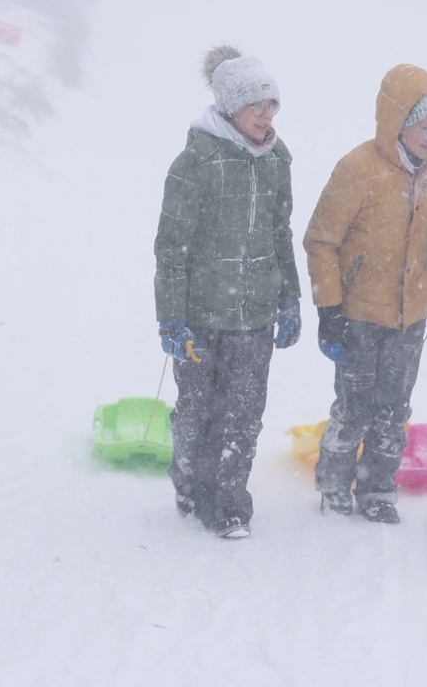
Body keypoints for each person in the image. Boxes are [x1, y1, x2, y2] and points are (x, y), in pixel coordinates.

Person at [303, 64, 427, 525]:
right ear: (398, 122)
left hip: (410, 313)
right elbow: (321, 240)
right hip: (358, 313)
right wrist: (328, 309)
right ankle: (334, 484)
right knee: (354, 407)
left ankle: (377, 487)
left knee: (393, 409)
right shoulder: (358, 169)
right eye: (426, 127)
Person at [153, 45, 302, 540]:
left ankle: (230, 503)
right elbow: (171, 246)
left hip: (255, 314)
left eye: (272, 104)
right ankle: (191, 481)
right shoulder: (195, 162)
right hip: (200, 315)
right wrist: (170, 316)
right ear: (228, 108)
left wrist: (289, 297)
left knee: (243, 414)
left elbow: (281, 232)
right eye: (256, 106)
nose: (267, 114)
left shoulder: (277, 158)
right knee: (197, 410)